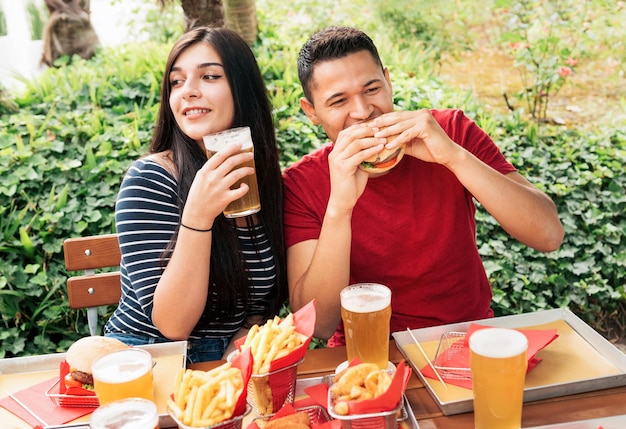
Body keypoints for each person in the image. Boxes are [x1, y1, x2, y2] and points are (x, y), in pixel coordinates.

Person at [283, 26, 564, 346]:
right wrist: (340, 207)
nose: (362, 112)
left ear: (388, 82)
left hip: (465, 340)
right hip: (367, 353)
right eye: (338, 101)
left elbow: (549, 234)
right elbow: (317, 324)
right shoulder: (301, 183)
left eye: (372, 89)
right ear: (312, 112)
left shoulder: (451, 132)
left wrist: (454, 158)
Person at [104, 27, 287, 363]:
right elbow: (173, 325)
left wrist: (240, 346)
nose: (187, 92)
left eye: (209, 76)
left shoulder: (265, 182)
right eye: (176, 81)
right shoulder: (150, 180)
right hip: (146, 360)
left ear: (242, 88)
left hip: (224, 364)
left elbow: (260, 304)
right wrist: (198, 216)